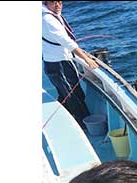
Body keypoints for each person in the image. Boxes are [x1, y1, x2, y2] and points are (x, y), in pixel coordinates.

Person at [42, 0, 98, 128]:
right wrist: (86, 59)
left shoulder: (52, 15)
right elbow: (66, 41)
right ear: (46, 3)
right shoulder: (47, 19)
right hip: (57, 64)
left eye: (59, 2)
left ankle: (59, 121)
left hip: (61, 61)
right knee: (73, 97)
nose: (57, 5)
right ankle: (84, 125)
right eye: (53, 2)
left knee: (67, 94)